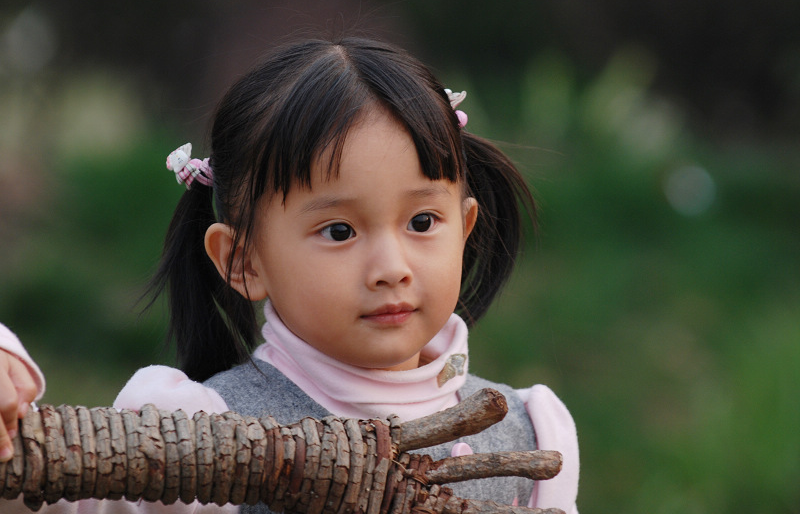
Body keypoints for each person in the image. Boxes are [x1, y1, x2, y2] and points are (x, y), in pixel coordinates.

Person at [0, 36, 579, 513]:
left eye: (423, 220)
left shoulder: (532, 435)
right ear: (242, 261)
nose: (391, 269)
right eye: (338, 232)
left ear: (466, 224)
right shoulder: (192, 430)